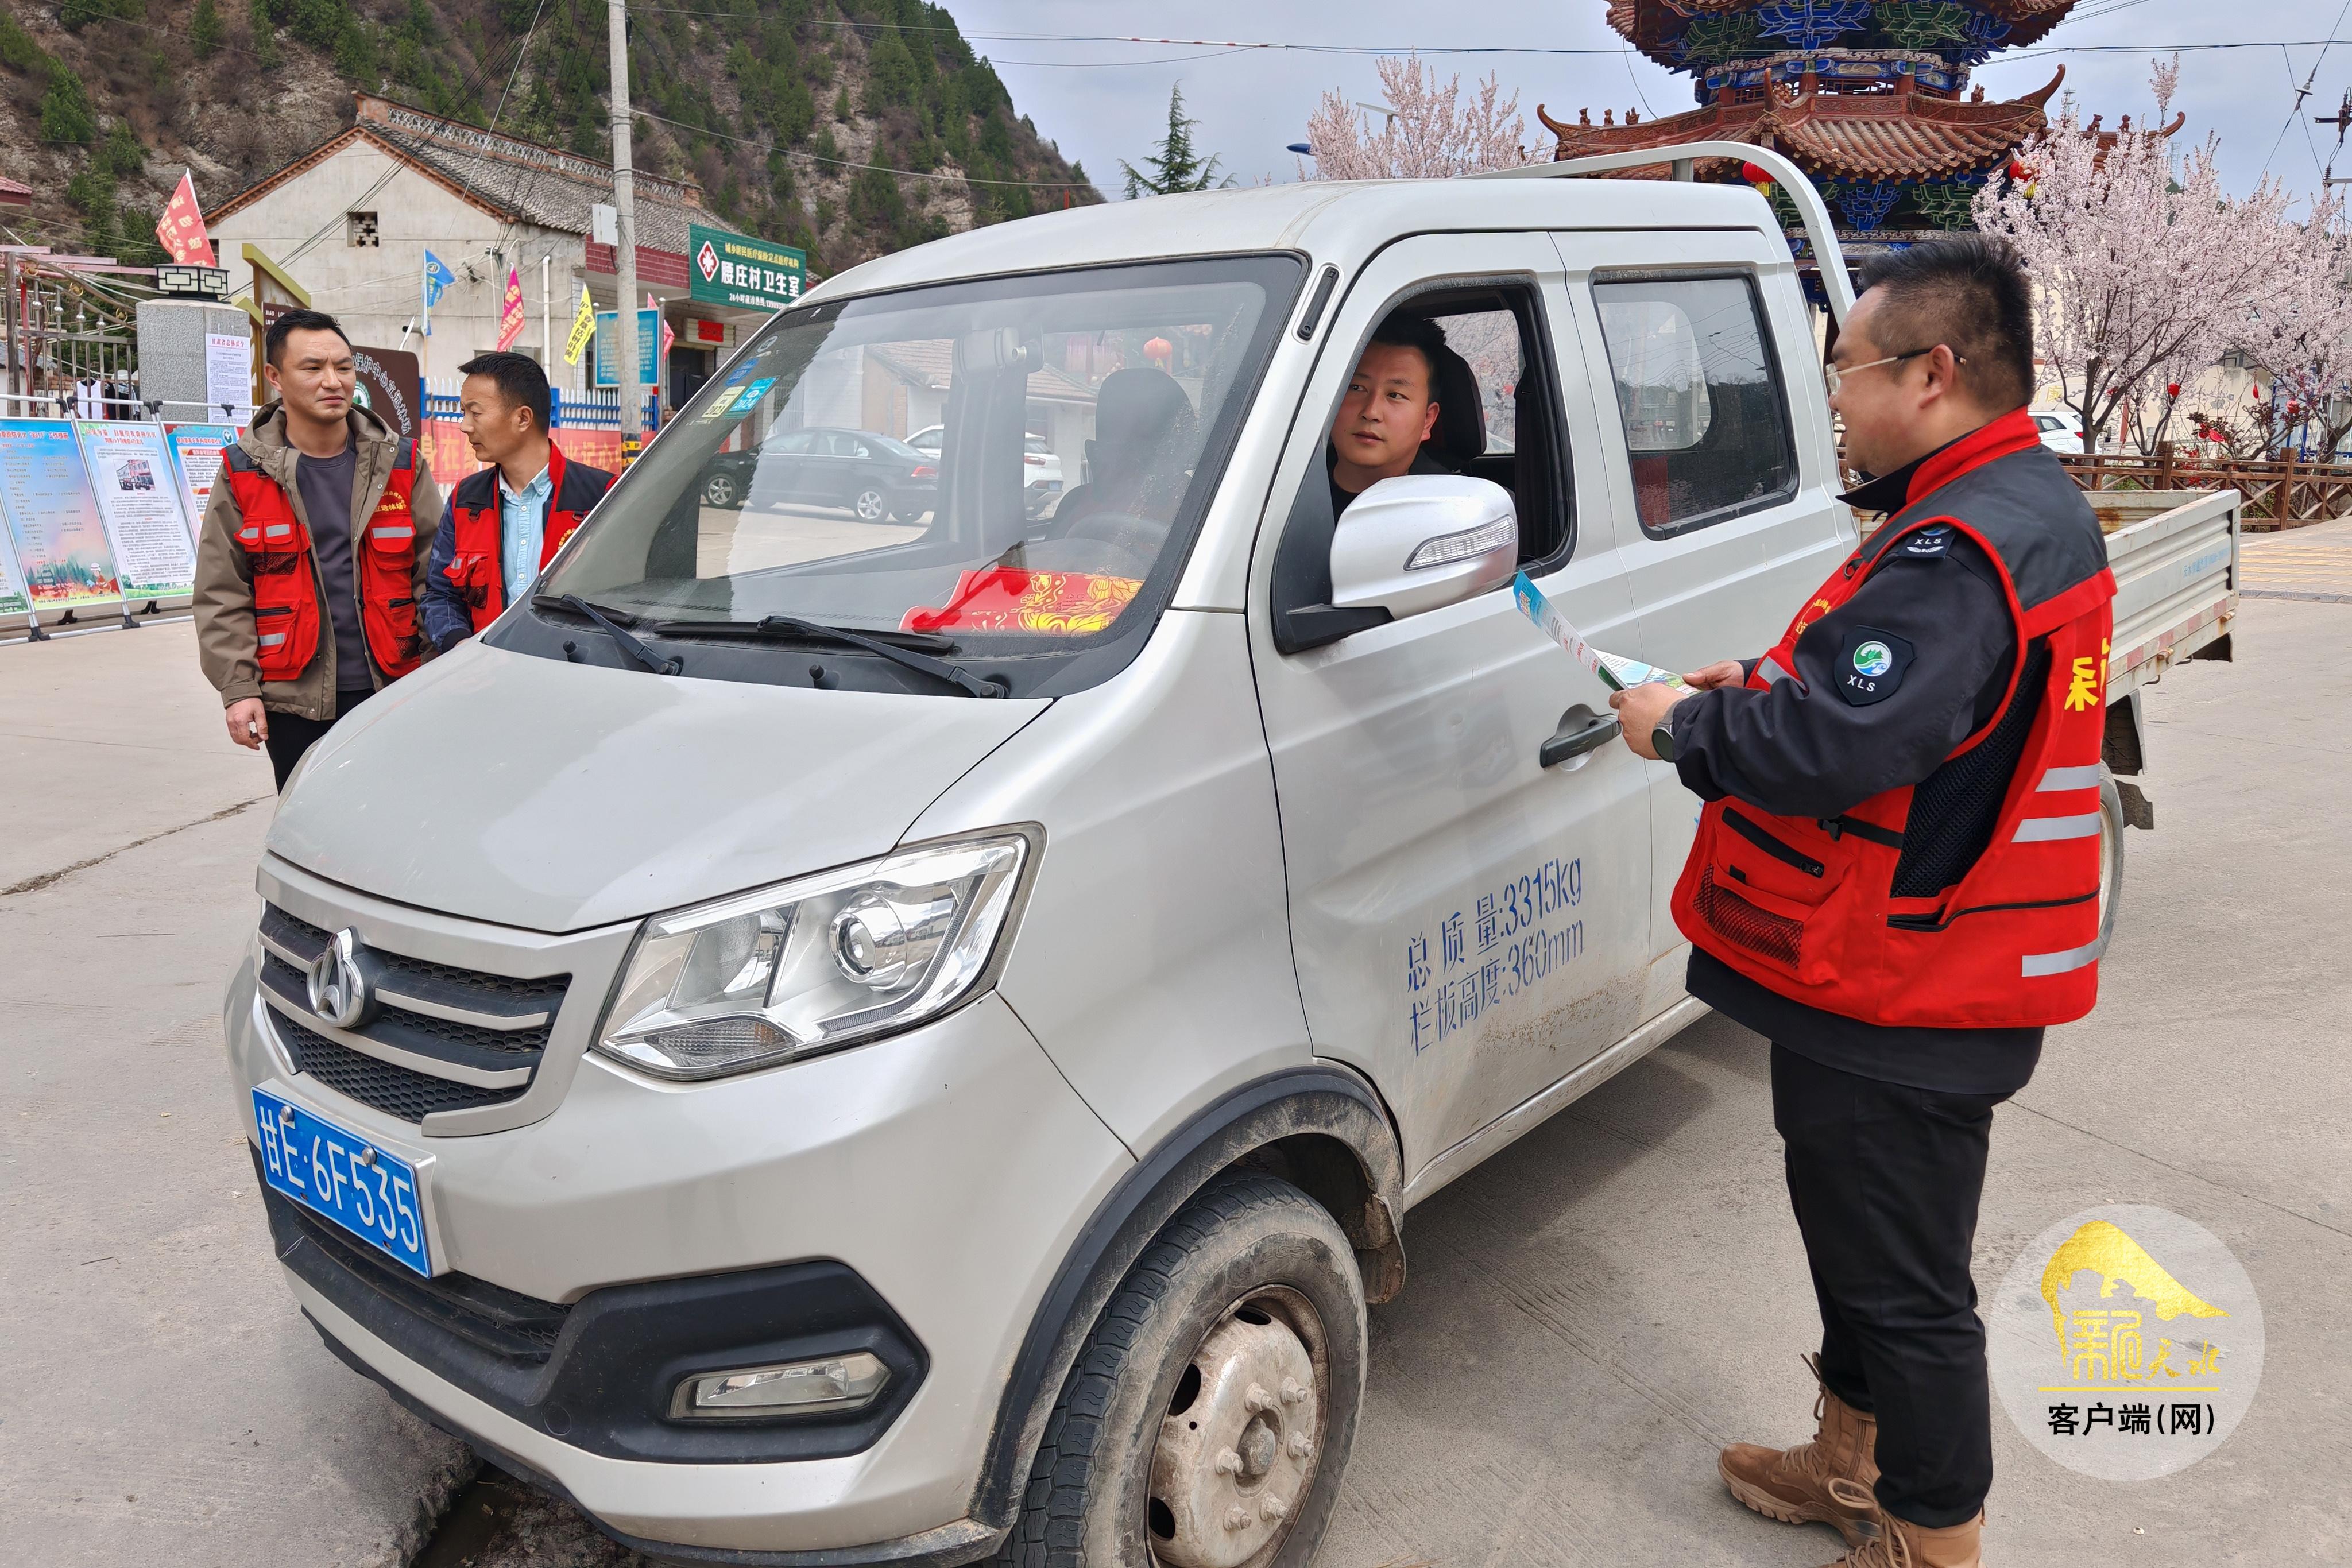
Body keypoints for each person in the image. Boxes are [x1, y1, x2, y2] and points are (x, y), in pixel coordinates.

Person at [1609, 236, 2114, 1568]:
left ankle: (1930, 1540)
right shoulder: (2010, 504)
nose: (1832, 395)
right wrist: (1766, 687)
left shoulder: (1962, 545)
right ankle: (1851, 1458)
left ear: (1929, 373)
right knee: (1860, 1243)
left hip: (1908, 986)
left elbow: (1836, 744)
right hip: (1916, 968)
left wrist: (1680, 729)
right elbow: (1903, 711)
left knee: (1902, 1285)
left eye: (1845, 368)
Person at [192, 309, 442, 790]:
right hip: (293, 701)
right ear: (275, 377)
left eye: (344, 367)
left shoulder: (400, 463)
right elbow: (222, 590)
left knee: (400, 815)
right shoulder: (244, 471)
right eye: (313, 368)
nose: (333, 381)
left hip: (395, 686)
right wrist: (238, 687)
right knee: (307, 821)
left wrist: (436, 669)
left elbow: (433, 576)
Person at [423, 350, 616, 652]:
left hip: (576, 669)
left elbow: (627, 598)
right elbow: (440, 593)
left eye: (476, 413)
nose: (464, 426)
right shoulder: (466, 500)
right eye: (463, 412)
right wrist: (459, 645)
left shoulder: (601, 496)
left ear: (523, 418)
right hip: (486, 668)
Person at [1326, 313, 1455, 516]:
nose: (1371, 412)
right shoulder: (1282, 482)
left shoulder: (1452, 510)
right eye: (1357, 388)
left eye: (1395, 395)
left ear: (1427, 421)